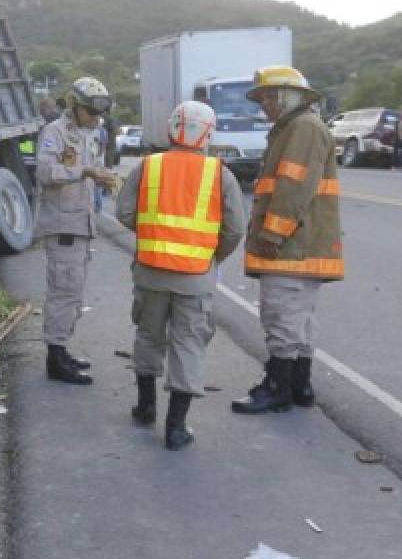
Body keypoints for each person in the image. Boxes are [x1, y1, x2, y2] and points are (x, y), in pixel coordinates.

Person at [116, 101, 245, 449]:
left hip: (151, 273)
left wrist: (153, 234)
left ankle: (145, 409)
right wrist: (209, 255)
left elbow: (124, 213)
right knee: (188, 345)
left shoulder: (148, 166)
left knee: (148, 337)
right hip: (195, 277)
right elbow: (234, 230)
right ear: (208, 133)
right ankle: (175, 428)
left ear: (172, 128)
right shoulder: (220, 173)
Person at [232, 66, 343, 414]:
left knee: (280, 314)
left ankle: (278, 388)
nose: (262, 104)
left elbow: (293, 186)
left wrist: (272, 233)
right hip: (302, 243)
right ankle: (299, 386)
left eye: (267, 96)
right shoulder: (295, 127)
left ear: (286, 95)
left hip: (290, 245)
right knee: (299, 318)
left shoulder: (301, 128)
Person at [36, 76, 117, 384]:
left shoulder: (93, 133)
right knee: (63, 290)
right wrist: (82, 171)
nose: (97, 118)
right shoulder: (54, 132)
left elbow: (91, 167)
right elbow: (44, 172)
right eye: (91, 112)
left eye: (100, 114)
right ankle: (55, 359)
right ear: (74, 106)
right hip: (62, 224)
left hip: (82, 222)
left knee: (74, 291)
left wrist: (100, 177)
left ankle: (62, 349)